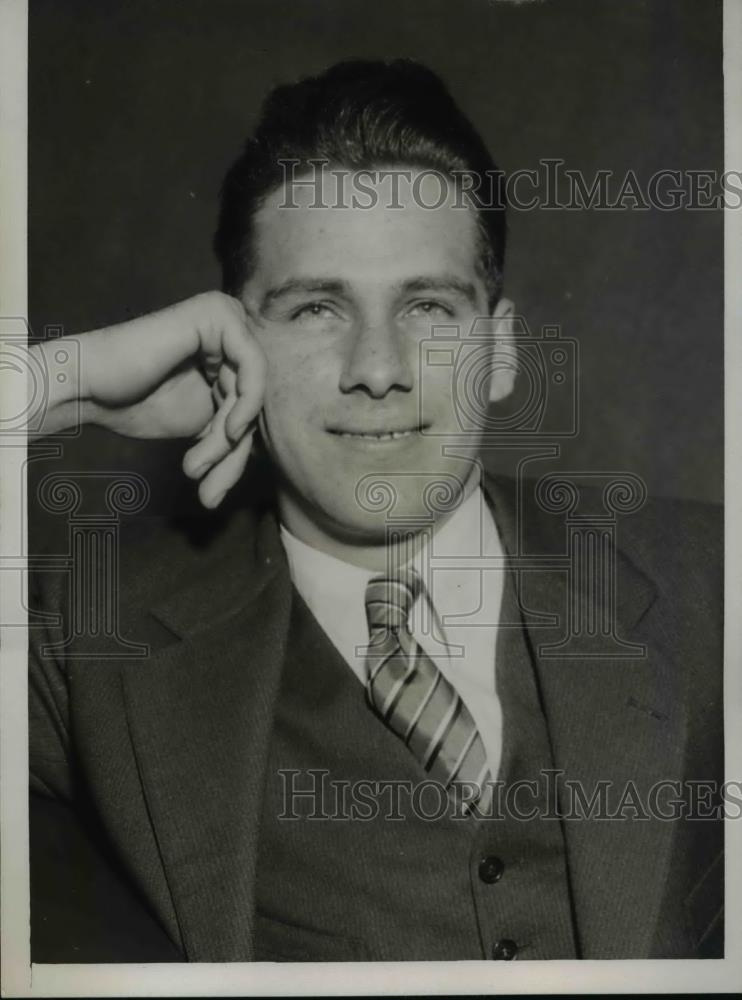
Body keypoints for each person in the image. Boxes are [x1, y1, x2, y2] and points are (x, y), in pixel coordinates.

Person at [28, 59, 723, 962]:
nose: (379, 366)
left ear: (501, 351)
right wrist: (59, 385)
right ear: (228, 345)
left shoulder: (710, 579)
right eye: (317, 308)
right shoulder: (93, 639)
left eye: (429, 307)